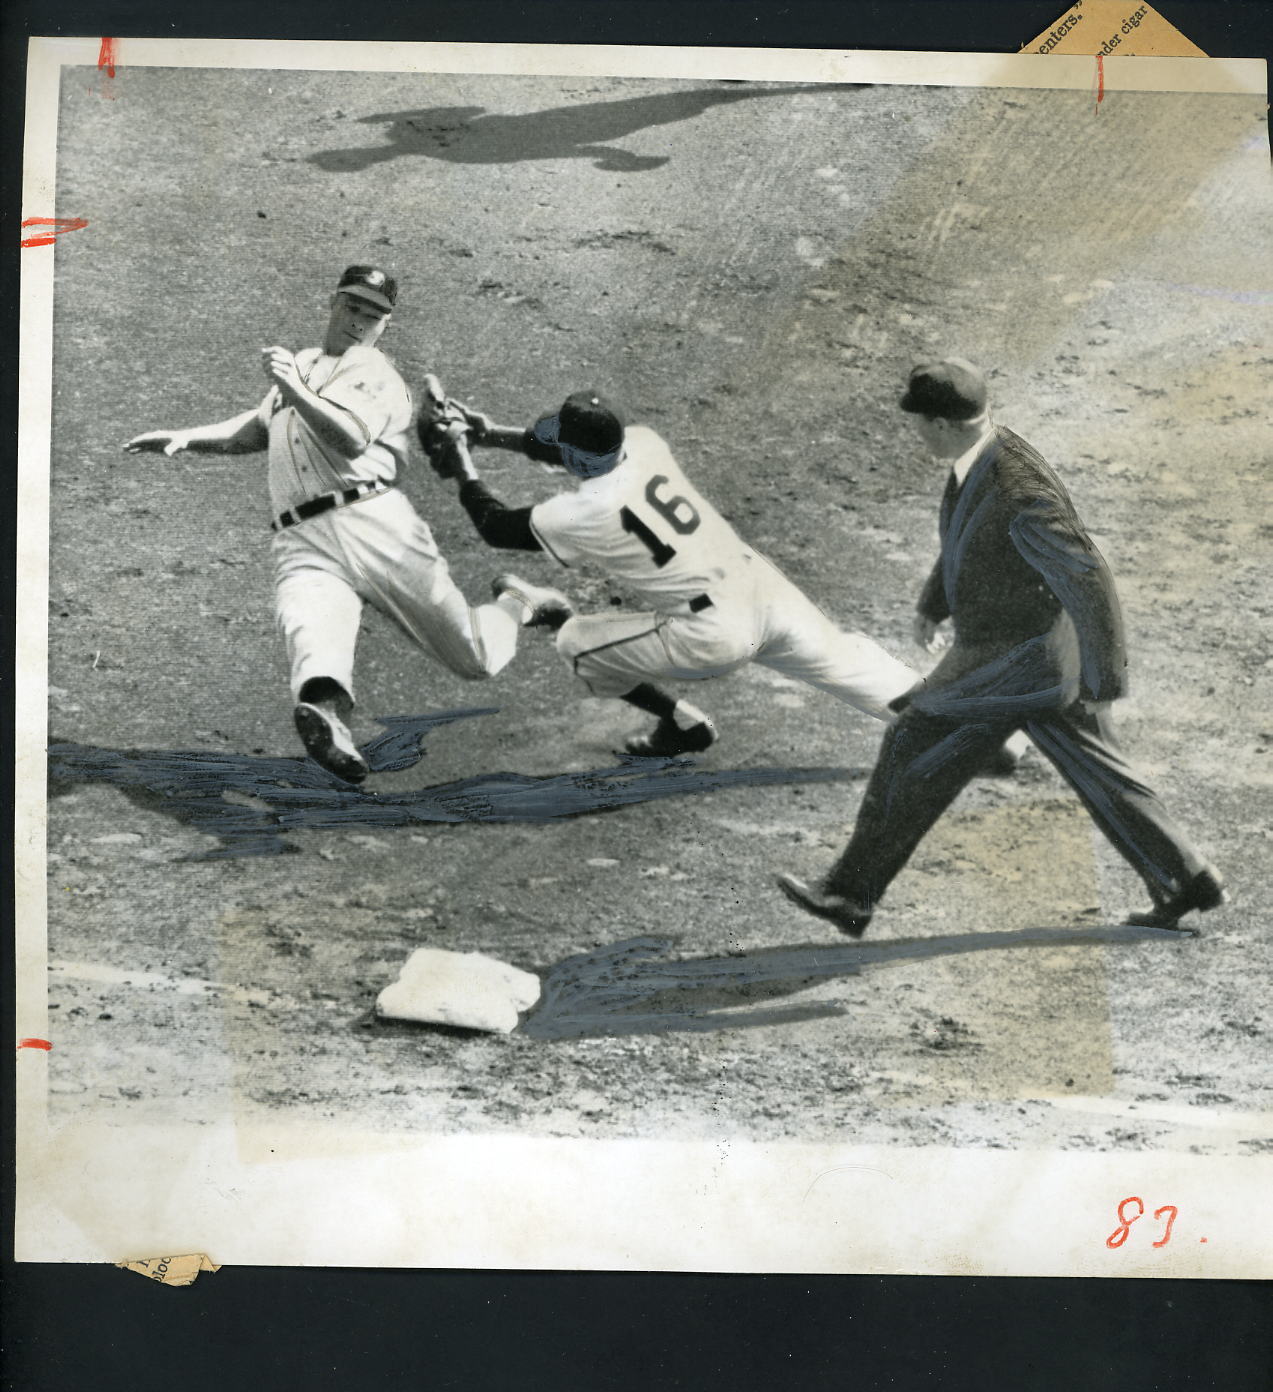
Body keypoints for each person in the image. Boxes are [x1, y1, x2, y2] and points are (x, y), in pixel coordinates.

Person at [778, 358, 1226, 935]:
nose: (914, 433)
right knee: (1100, 769)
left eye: (918, 423)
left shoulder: (1017, 488)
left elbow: (1087, 574)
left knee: (912, 739)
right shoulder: (987, 453)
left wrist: (1106, 678)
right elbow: (969, 539)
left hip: (1016, 661)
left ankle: (849, 894)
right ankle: (1185, 879)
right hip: (1041, 657)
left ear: (942, 424)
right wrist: (932, 602)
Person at [124, 265, 569, 784]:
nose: (361, 321)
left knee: (475, 658)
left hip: (374, 524)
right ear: (334, 304)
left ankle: (518, 604)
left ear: (386, 326)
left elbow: (349, 438)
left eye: (375, 315)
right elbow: (254, 429)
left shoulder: (376, 374)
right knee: (310, 627)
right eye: (354, 307)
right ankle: (329, 718)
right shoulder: (307, 364)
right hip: (301, 540)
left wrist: (291, 385)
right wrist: (186, 436)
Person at [421, 386, 998, 760]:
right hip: (761, 590)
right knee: (852, 664)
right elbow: (566, 452)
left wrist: (461, 462)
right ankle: (977, 736)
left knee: (576, 644)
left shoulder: (585, 512)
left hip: (708, 633)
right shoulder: (643, 444)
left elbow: (496, 527)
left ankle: (681, 724)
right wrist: (486, 432)